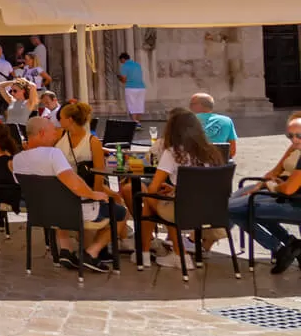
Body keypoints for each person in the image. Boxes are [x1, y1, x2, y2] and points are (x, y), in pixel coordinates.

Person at [12, 116, 124, 272]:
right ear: (42, 133)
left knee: (56, 199)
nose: (56, 135)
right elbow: (74, 184)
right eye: (53, 131)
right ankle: (92, 252)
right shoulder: (53, 154)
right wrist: (93, 194)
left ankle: (66, 250)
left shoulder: (17, 160)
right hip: (71, 212)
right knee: (120, 212)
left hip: (41, 212)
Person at [141, 106, 225, 267]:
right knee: (170, 202)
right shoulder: (212, 152)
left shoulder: (173, 153)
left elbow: (153, 188)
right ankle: (164, 253)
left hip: (183, 210)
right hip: (211, 210)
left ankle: (164, 255)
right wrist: (174, 189)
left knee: (149, 200)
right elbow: (202, 185)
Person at [229, 115, 301, 272]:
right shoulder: (296, 149)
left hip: (293, 203)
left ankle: (281, 247)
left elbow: (289, 188)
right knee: (238, 207)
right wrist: (264, 185)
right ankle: (290, 245)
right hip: (287, 199)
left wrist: (275, 186)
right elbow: (279, 175)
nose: (294, 140)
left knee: (231, 208)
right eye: (291, 136)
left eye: (299, 135)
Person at [56, 102, 106, 171]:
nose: (59, 121)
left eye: (61, 118)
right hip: (60, 180)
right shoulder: (59, 135)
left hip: (83, 181)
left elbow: (99, 171)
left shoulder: (93, 142)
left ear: (70, 120)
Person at [191, 92, 238, 158]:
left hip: (192, 165)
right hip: (219, 166)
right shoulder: (227, 120)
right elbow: (232, 151)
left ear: (198, 105)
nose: (190, 107)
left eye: (192, 104)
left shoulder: (184, 121)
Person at [118, 52, 148, 121]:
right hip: (141, 88)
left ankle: (134, 123)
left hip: (131, 88)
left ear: (123, 59)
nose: (121, 63)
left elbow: (124, 80)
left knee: (132, 106)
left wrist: (119, 78)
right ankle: (138, 123)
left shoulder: (124, 66)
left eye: (121, 61)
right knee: (139, 106)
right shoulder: (137, 65)